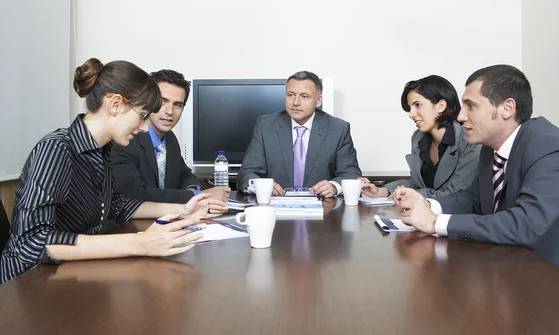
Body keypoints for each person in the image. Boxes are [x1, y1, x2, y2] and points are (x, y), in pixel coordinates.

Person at [0, 58, 228, 284]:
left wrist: (183, 210)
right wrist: (139, 244)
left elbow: (118, 205)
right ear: (116, 104)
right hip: (26, 286)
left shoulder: (103, 150)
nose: (142, 127)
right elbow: (32, 242)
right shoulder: (56, 149)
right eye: (142, 116)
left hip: (72, 276)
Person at [395, 64, 559, 282]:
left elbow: (525, 224)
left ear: (507, 108)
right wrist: (427, 203)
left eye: (470, 106)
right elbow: (472, 199)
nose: (461, 116)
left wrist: (436, 222)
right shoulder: (489, 149)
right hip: (519, 269)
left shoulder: (549, 146)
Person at [112, 69, 230, 203]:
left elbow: (184, 174)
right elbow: (135, 194)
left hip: (167, 218)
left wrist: (192, 188)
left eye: (178, 105)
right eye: (162, 102)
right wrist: (197, 195)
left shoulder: (170, 138)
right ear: (148, 101)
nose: (169, 111)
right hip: (132, 222)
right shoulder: (127, 138)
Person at [237, 71, 361, 198]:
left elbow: (351, 174)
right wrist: (259, 185)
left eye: (304, 96)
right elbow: (246, 174)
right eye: (291, 95)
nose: (296, 102)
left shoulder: (338, 129)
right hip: (275, 205)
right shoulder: (266, 126)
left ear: (318, 101)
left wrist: (334, 186)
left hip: (323, 208)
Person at [361, 75, 480, 198]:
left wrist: (413, 194)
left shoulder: (469, 140)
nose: (411, 114)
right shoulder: (419, 138)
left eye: (417, 105)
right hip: (424, 213)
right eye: (410, 108)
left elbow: (456, 194)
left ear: (441, 106)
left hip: (455, 215)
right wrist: (383, 191)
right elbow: (416, 184)